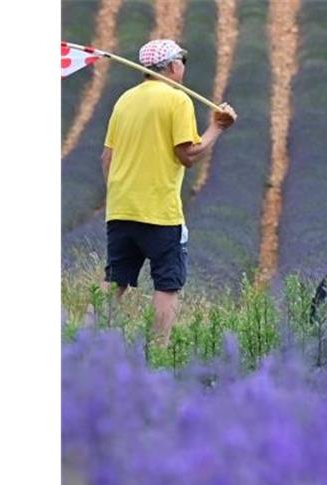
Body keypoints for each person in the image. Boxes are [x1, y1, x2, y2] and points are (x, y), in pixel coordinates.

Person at [101, 39, 238, 347]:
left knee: (114, 283)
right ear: (174, 66)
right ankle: (159, 351)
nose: (184, 67)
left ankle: (83, 344)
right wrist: (217, 127)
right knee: (167, 284)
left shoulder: (124, 100)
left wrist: (120, 193)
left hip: (121, 209)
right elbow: (187, 154)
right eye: (182, 61)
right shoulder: (177, 100)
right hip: (159, 211)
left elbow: (106, 158)